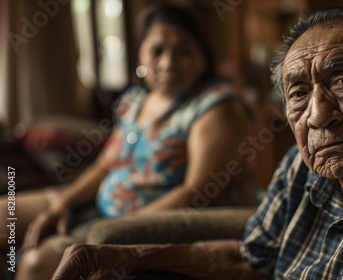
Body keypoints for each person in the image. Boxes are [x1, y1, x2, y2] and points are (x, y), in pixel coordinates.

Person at [51, 5, 343, 280]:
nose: (318, 116)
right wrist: (121, 257)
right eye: (299, 93)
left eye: (342, 82)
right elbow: (252, 259)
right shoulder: (300, 166)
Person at [0, 3, 255, 280]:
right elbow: (107, 163)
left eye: (184, 51)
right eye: (157, 50)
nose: (168, 62)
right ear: (140, 57)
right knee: (4, 216)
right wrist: (64, 201)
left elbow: (195, 192)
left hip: (141, 219)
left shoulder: (216, 106)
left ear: (204, 57)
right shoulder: (135, 100)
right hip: (100, 205)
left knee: (36, 263)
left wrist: (121, 226)